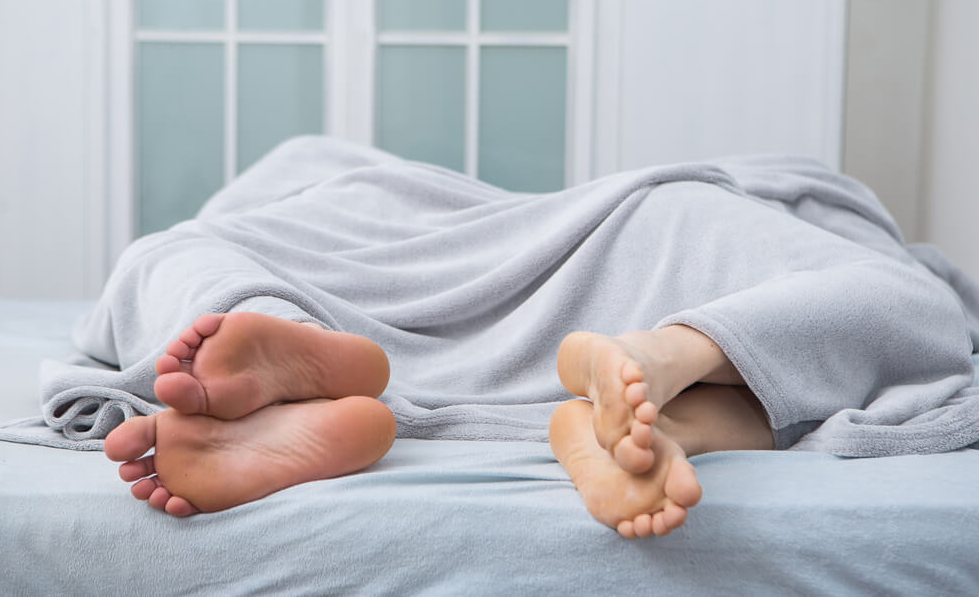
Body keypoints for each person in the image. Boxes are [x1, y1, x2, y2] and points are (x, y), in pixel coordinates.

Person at [94, 137, 976, 539]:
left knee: (167, 255)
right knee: (902, 301)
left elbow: (125, 301)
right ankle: (666, 383)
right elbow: (931, 316)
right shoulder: (771, 198)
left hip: (338, 257)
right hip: (652, 242)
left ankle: (279, 323)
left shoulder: (315, 184)